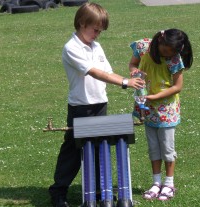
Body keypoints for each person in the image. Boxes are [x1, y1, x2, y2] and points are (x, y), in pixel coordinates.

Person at [48, 3, 144, 207]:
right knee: (73, 151)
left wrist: (129, 78)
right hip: (81, 107)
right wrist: (125, 83)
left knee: (100, 147)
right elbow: (94, 72)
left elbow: (108, 72)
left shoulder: (96, 47)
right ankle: (58, 192)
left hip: (100, 104)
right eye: (96, 30)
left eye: (100, 31)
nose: (98, 34)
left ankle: (100, 193)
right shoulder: (71, 48)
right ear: (83, 23)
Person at [128, 29, 193, 201]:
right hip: (147, 107)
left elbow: (177, 86)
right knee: (154, 148)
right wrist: (134, 72)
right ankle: (156, 183)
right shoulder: (142, 47)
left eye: (171, 53)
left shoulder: (174, 59)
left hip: (166, 110)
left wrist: (154, 97)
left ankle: (169, 184)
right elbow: (133, 64)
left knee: (167, 149)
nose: (167, 55)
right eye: (165, 51)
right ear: (159, 42)